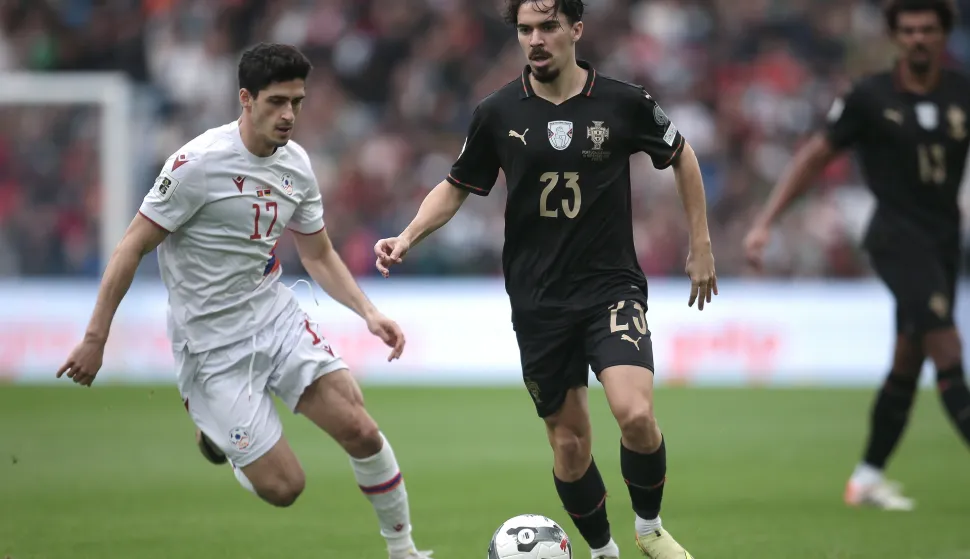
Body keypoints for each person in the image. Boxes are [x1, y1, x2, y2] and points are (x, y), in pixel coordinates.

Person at [56, 42, 432, 559]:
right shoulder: (196, 164)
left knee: (360, 427)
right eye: (277, 101)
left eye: (297, 102)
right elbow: (130, 248)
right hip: (210, 347)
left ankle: (404, 551)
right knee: (286, 488)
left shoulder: (296, 166)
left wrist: (369, 312)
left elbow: (319, 255)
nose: (289, 115)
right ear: (246, 99)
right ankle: (216, 437)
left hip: (272, 316)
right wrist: (95, 339)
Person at [375, 1, 716, 557]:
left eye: (547, 27)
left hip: (610, 287)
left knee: (635, 413)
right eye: (525, 30)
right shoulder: (497, 111)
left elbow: (682, 156)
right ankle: (604, 551)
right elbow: (457, 185)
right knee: (570, 443)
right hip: (538, 300)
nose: (535, 39)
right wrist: (407, 236)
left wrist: (700, 244)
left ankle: (650, 528)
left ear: (575, 30)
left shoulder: (624, 102)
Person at [744, 0, 970, 511]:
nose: (917, 39)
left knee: (907, 362)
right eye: (908, 30)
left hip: (943, 242)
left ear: (942, 36)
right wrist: (765, 222)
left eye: (927, 30)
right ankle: (868, 478)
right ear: (894, 36)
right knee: (949, 354)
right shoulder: (869, 97)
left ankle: (866, 478)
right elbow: (814, 157)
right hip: (895, 238)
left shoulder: (962, 92)